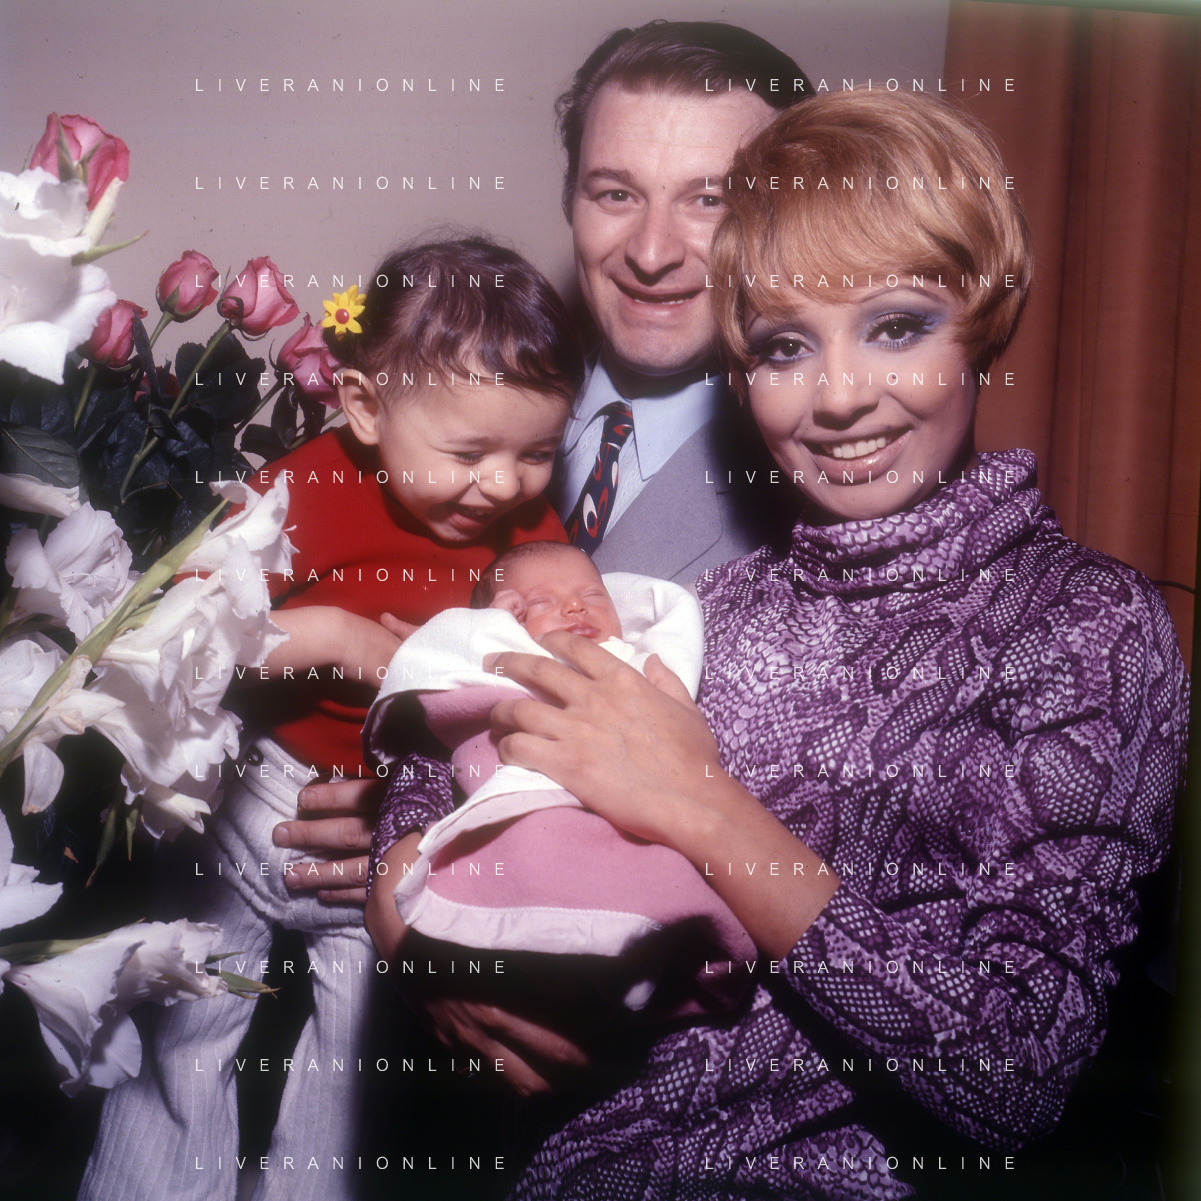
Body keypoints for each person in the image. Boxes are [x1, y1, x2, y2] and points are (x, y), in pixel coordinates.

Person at [366, 92, 1189, 1199]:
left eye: (896, 326)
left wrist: (703, 806)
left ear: (985, 318)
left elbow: (1016, 1072)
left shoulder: (1083, 624)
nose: (839, 397)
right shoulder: (710, 607)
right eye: (785, 346)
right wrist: (404, 921)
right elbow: (465, 724)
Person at [79, 237, 582, 1201]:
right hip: (247, 801)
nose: (503, 484)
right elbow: (181, 634)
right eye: (468, 453)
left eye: (535, 453)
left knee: (352, 1072)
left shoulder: (530, 536)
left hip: (392, 836)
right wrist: (329, 634)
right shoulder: (307, 487)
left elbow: (545, 682)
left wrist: (439, 670)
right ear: (364, 405)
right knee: (184, 1023)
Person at [365, 543, 754, 1019]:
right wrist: (490, 626)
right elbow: (452, 670)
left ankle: (639, 957)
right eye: (540, 602)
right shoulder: (502, 649)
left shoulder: (631, 657)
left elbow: (671, 698)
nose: (575, 606)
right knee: (531, 854)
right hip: (524, 791)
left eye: (593, 594)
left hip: (631, 807)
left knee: (645, 876)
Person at [550, 20, 812, 580]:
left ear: (791, 221)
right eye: (616, 194)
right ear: (571, 199)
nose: (651, 254)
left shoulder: (825, 492)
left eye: (710, 201)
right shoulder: (460, 405)